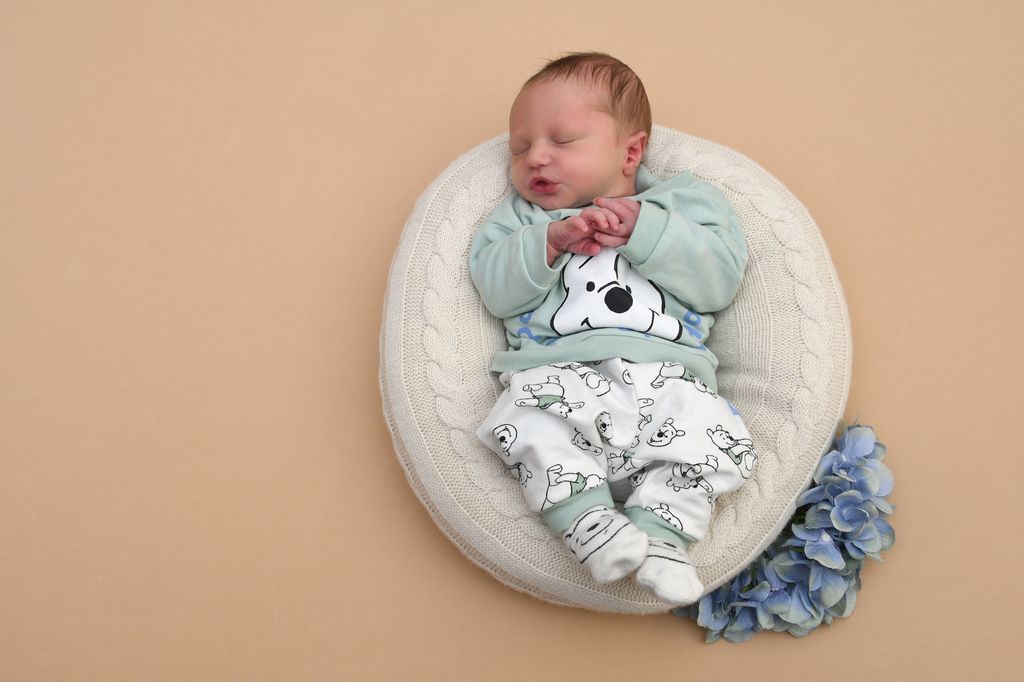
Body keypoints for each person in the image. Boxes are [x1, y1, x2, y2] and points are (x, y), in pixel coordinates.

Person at [469, 52, 757, 606]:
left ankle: (662, 537)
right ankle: (589, 523)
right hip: (560, 376)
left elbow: (718, 281)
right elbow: (495, 289)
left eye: (562, 140)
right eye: (520, 148)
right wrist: (549, 242)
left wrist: (649, 231)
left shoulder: (685, 205)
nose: (536, 158)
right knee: (523, 419)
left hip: (670, 381)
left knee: (720, 438)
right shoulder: (522, 220)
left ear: (630, 152)